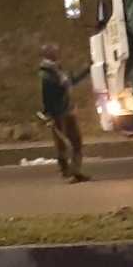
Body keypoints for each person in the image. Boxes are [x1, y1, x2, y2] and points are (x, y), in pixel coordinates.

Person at [39, 43, 91, 184]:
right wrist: (49, 114)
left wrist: (87, 70)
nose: (58, 53)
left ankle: (72, 171)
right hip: (59, 113)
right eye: (54, 51)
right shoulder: (48, 74)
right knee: (68, 143)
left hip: (66, 110)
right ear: (48, 54)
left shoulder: (56, 71)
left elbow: (70, 81)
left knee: (73, 142)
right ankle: (69, 171)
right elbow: (48, 96)